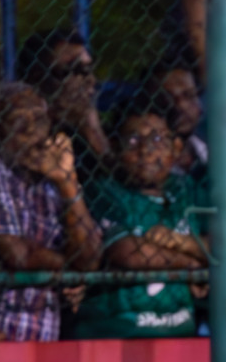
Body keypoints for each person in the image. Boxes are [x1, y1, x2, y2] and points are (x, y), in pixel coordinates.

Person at [0, 84, 103, 341]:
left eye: (39, 119)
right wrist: (75, 271)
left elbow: (91, 255)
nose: (31, 130)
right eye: (17, 121)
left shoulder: (50, 179)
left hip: (43, 334)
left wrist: (67, 182)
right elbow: (17, 254)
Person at [74, 95, 208, 339]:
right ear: (115, 146)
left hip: (180, 335)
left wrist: (180, 242)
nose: (146, 150)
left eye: (157, 139)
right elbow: (129, 253)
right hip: (115, 333)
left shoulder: (186, 189)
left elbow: (223, 245)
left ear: (176, 148)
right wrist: (194, 264)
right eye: (133, 140)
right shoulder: (104, 191)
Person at [19, 30, 110, 169]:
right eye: (76, 69)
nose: (90, 80)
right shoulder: (25, 135)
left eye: (89, 68)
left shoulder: (88, 131)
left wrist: (93, 132)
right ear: (39, 78)